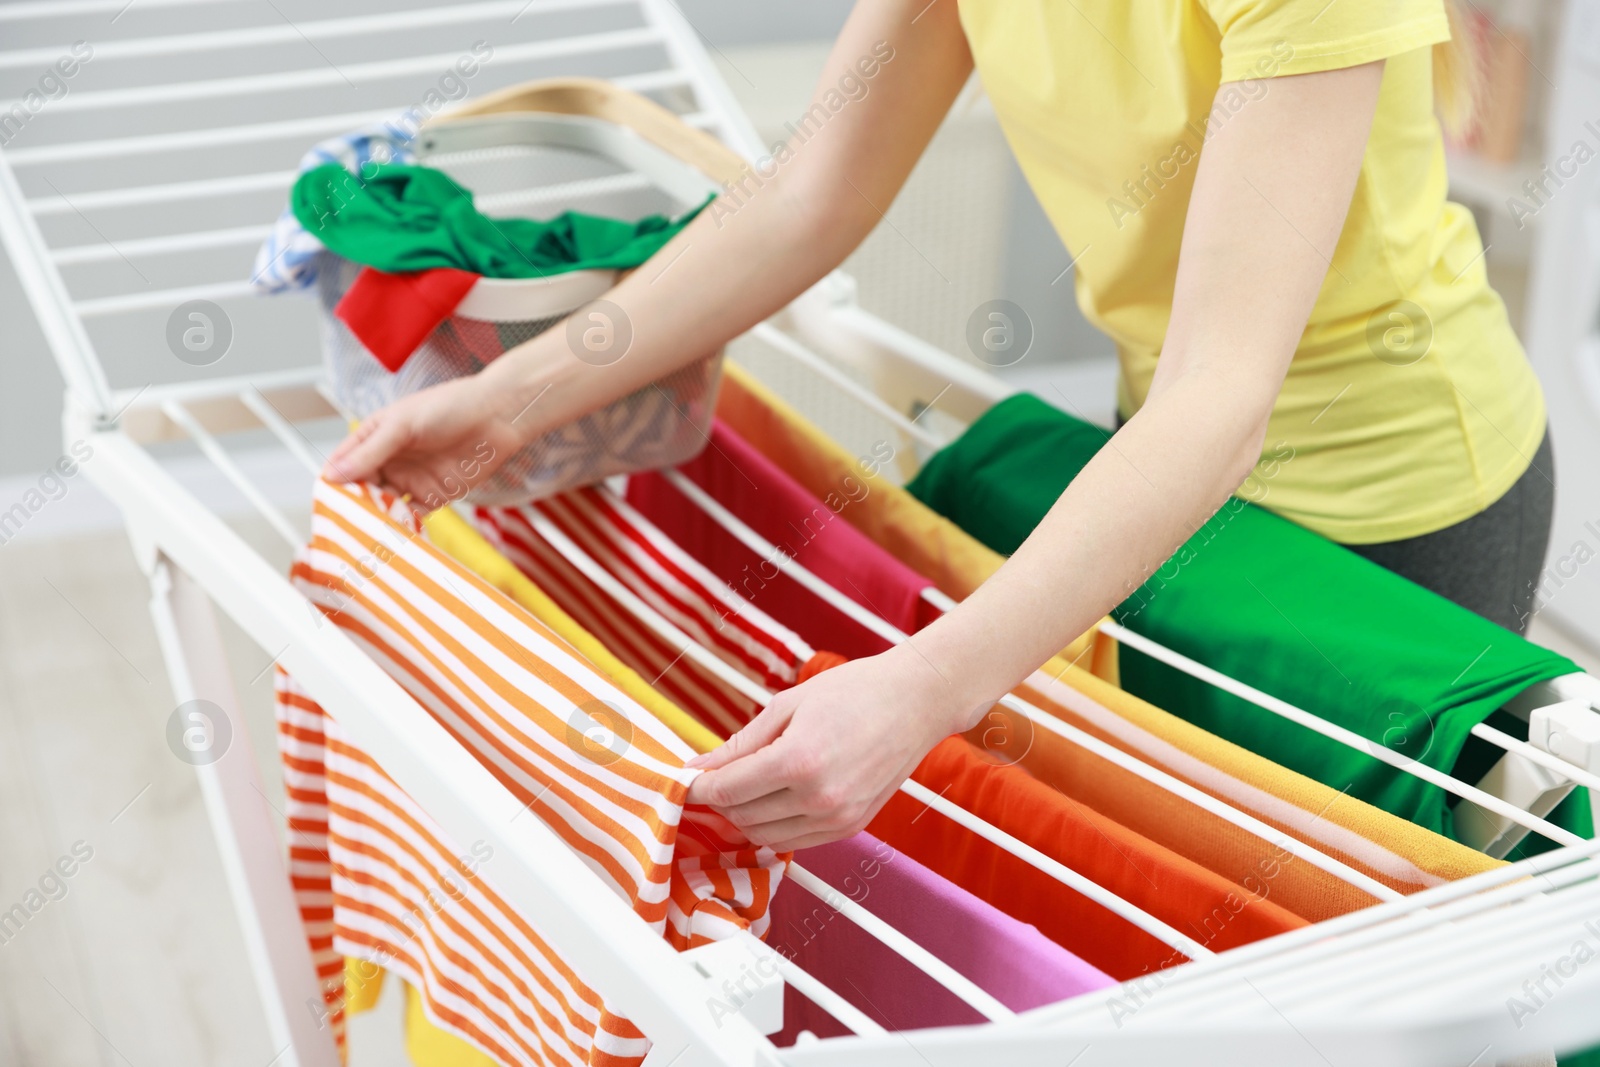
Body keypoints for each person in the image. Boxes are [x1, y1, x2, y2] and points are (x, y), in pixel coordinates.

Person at [326, 0, 1551, 853]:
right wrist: (506, 401)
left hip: (1397, 503)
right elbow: (806, 201)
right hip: (1167, 466)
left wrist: (926, 688)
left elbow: (1221, 397)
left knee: (1370, 935)